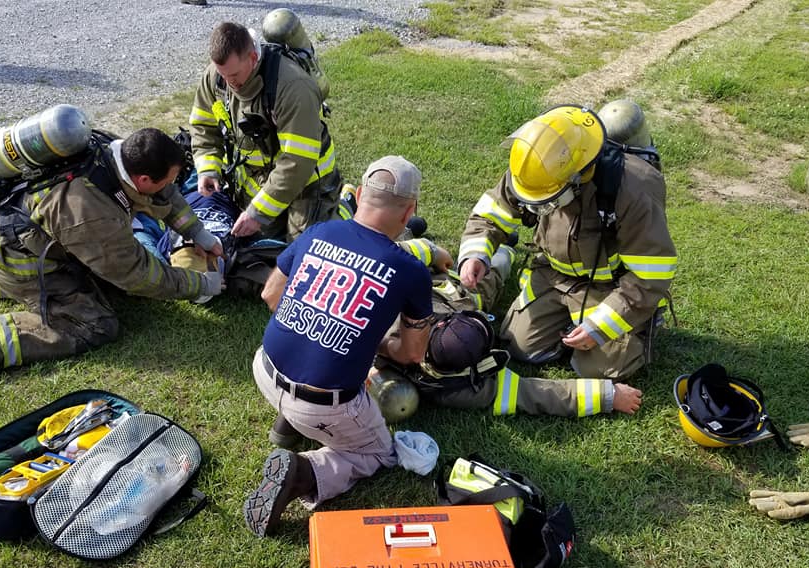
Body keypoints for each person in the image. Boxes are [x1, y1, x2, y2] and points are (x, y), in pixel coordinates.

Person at [243, 156, 433, 537]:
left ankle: (288, 420)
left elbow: (270, 293)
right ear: (409, 211)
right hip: (322, 403)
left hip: (264, 369)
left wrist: (317, 327)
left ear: (360, 195)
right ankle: (302, 473)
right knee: (377, 453)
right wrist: (377, 345)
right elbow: (412, 353)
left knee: (314, 365)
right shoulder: (410, 270)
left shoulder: (317, 233)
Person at [0, 128, 224, 390]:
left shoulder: (113, 149)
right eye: (166, 179)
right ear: (143, 180)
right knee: (96, 324)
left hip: (16, 237)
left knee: (107, 282)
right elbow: (138, 275)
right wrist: (200, 284)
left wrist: (198, 234)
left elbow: (166, 194)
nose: (169, 186)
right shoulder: (93, 212)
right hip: (16, 258)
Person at [459, 105, 677, 381]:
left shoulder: (635, 189)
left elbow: (651, 275)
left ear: (578, 176)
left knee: (599, 371)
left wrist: (601, 326)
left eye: (549, 200)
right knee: (520, 347)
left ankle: (641, 323)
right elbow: (492, 213)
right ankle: (570, 318)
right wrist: (475, 255)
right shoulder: (535, 164)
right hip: (553, 275)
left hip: (609, 286)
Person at [378, 243, 643, 418]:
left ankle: (502, 252)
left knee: (478, 281)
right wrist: (610, 396)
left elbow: (388, 251)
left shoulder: (386, 308)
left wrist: (433, 253)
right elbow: (537, 394)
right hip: (454, 295)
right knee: (484, 285)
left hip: (442, 288)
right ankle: (504, 252)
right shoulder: (464, 389)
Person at [188, 22, 340, 247]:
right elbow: (204, 126)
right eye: (223, 74)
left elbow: (297, 162)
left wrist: (258, 212)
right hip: (259, 181)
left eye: (234, 74)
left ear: (252, 57)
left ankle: (341, 208)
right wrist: (208, 169)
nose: (229, 83)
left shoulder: (293, 87)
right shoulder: (217, 77)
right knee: (262, 246)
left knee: (303, 249)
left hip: (306, 183)